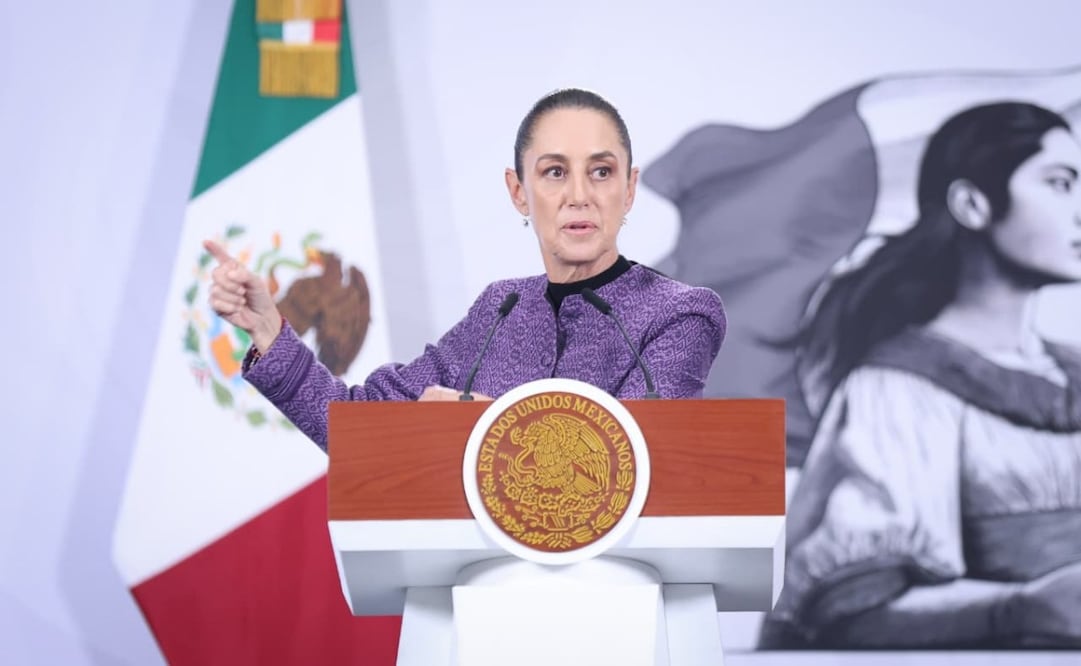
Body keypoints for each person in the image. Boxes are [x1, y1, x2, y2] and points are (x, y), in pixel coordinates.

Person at [205, 88, 727, 450]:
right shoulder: (500, 311)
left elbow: (629, 454)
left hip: (617, 599)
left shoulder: (681, 315)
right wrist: (271, 331)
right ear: (518, 191)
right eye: (553, 172)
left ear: (629, 188)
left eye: (601, 171)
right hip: (480, 600)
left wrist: (486, 422)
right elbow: (359, 428)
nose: (579, 196)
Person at [759, 101, 1081, 648]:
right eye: (1060, 183)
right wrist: (1022, 609)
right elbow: (851, 611)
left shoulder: (1067, 370)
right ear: (972, 204)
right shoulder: (896, 390)